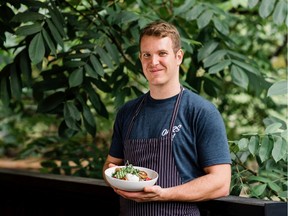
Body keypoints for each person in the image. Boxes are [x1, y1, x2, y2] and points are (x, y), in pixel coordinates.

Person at [102, 20, 232, 216]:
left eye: (162, 53)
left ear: (178, 57)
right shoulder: (127, 112)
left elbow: (221, 183)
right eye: (147, 55)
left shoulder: (201, 112)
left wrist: (163, 194)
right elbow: (110, 165)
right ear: (140, 58)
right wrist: (116, 176)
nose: (153, 62)